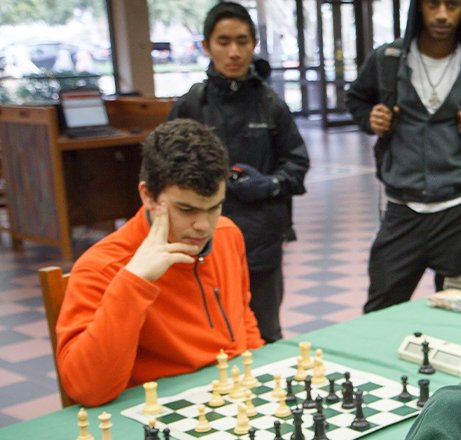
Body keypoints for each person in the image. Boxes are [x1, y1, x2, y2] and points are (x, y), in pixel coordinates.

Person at [55, 120, 265, 407]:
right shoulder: (101, 267)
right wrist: (133, 283)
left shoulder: (228, 234)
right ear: (147, 195)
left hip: (233, 397)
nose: (204, 226)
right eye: (186, 209)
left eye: (215, 206)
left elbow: (243, 317)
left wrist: (258, 370)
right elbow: (87, 390)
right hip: (159, 412)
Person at [345, 0, 461, 313]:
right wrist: (371, 117)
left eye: (452, 5)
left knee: (459, 312)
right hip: (402, 210)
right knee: (380, 310)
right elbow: (356, 98)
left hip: (458, 211)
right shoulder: (388, 60)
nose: (441, 14)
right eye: (432, 4)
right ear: (418, 7)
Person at [169, 1, 310, 343]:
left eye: (242, 41)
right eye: (223, 41)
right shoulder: (191, 105)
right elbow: (165, 175)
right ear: (207, 46)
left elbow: (297, 165)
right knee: (207, 336)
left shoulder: (270, 104)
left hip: (261, 240)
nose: (234, 52)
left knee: (264, 334)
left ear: (253, 45)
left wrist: (268, 184)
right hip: (202, 241)